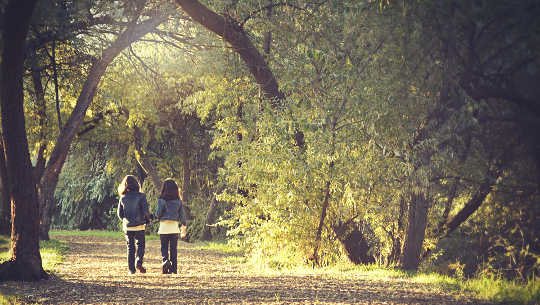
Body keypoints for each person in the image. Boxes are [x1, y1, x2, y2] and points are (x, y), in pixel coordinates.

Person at [117, 175, 153, 274]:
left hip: (128, 227)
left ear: (125, 185)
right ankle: (138, 261)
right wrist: (149, 219)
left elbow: (120, 214)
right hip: (140, 226)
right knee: (141, 245)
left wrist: (126, 221)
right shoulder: (142, 196)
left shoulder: (123, 198)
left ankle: (131, 270)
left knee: (130, 247)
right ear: (137, 184)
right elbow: (146, 211)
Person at [155, 178, 187, 274]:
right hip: (174, 228)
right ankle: (174, 269)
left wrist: (156, 217)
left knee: (164, 248)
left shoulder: (161, 200)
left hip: (164, 228)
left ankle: (165, 261)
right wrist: (183, 227)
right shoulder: (179, 202)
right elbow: (182, 217)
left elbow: (158, 214)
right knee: (173, 249)